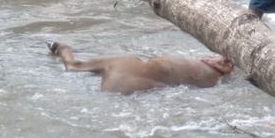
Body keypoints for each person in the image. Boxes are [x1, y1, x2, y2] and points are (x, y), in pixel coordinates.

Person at [48, 42, 233, 95]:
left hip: (125, 85)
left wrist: (64, 50)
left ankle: (62, 47)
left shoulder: (119, 64)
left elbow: (73, 66)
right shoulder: (126, 64)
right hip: (200, 80)